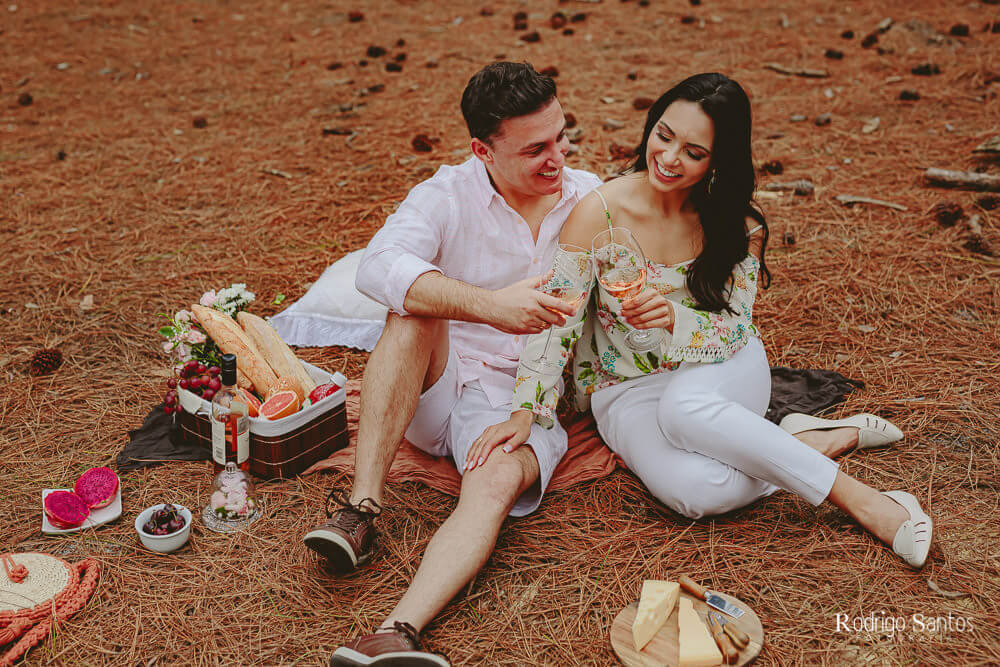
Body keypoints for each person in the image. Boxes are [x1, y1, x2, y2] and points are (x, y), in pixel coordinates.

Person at [470, 73, 932, 571]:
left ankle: (866, 500)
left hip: (722, 366)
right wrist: (526, 410)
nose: (668, 159)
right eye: (664, 136)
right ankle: (805, 441)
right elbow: (557, 320)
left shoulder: (738, 225)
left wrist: (674, 317)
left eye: (693, 152)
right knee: (696, 493)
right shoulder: (598, 213)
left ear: (718, 160)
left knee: (684, 409)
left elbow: (735, 326)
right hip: (624, 385)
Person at [302, 62, 602, 666]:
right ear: (481, 151)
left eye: (561, 138)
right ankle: (361, 511)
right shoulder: (446, 193)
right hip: (437, 383)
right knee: (410, 307)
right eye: (534, 149)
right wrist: (491, 306)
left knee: (492, 482)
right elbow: (378, 267)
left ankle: (395, 632)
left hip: (523, 398)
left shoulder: (590, 198)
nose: (557, 160)